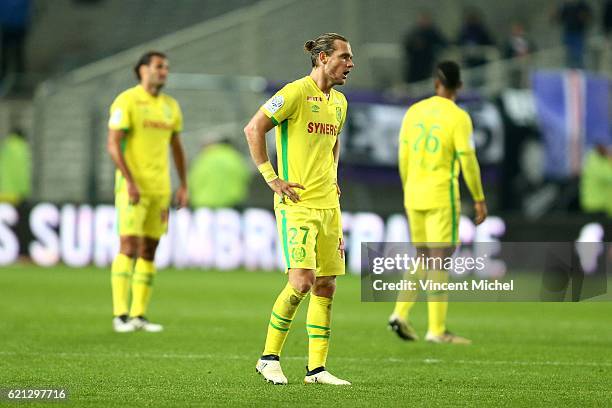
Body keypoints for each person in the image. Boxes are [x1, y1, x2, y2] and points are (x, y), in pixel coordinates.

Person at [244, 33, 354, 385]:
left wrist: (334, 178)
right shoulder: (293, 93)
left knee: (326, 285)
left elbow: (333, 143)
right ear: (322, 58)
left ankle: (317, 369)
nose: (350, 64)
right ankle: (268, 357)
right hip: (297, 204)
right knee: (302, 282)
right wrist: (271, 178)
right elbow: (253, 128)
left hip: (329, 204)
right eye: (344, 57)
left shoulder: (340, 102)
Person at [388, 61, 487, 344]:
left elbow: (403, 156)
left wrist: (408, 189)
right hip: (441, 194)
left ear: (435, 83)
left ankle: (400, 313)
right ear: (459, 87)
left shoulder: (414, 111)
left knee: (422, 256)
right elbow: (468, 160)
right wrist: (479, 198)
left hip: (413, 193)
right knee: (440, 260)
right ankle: (437, 329)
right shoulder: (458, 117)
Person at [106, 51, 188, 333]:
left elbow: (176, 148)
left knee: (150, 249)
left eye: (166, 67)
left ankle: (139, 315)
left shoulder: (170, 106)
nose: (164, 72)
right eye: (158, 67)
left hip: (160, 188)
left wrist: (184, 185)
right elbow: (114, 145)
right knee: (128, 245)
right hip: (133, 187)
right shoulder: (127, 101)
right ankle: (120, 315)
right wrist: (128, 180)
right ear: (142, 70)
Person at [188, 138, 251, 209]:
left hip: (204, 205)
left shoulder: (201, 159)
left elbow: (192, 181)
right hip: (231, 203)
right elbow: (244, 175)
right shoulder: (233, 156)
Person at [402, 12, 448, 84]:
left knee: (425, 84)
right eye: (422, 19)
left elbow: (443, 43)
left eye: (425, 20)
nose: (423, 22)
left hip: (427, 64)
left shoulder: (433, 33)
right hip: (414, 64)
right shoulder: (414, 32)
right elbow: (407, 46)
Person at [553, 0, 592, 68]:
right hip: (568, 33)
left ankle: (580, 70)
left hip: (579, 33)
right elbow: (560, 19)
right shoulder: (566, 5)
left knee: (578, 55)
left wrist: (584, 17)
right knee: (569, 55)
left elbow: (589, 17)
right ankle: (570, 70)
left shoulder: (582, 4)